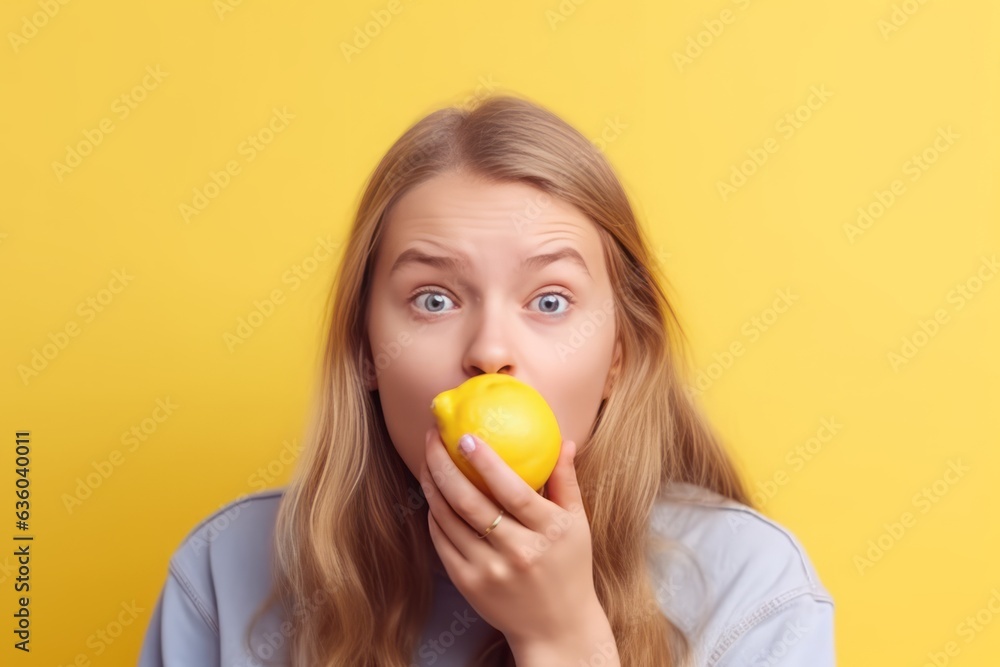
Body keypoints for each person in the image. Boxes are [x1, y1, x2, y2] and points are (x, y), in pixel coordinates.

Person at [137, 94, 836, 666]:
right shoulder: (225, 578)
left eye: (550, 300)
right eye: (434, 299)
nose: (491, 350)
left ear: (617, 356)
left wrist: (563, 640)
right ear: (362, 350)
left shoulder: (752, 591)